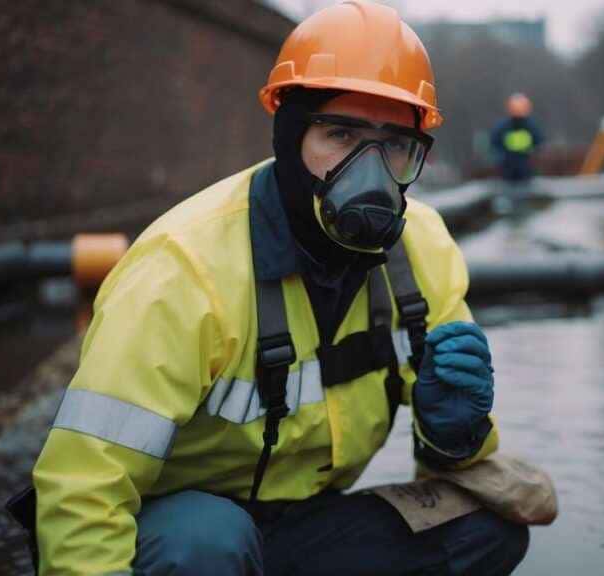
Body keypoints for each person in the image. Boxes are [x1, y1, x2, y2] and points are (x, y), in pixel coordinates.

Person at [26, 2, 528, 574]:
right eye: (340, 134)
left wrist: (453, 432)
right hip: (178, 533)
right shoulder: (184, 269)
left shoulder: (424, 247)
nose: (370, 173)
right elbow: (83, 492)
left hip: (306, 522)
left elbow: (455, 464)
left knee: (485, 524)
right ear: (290, 139)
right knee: (208, 542)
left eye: (393, 146)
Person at [490, 92, 545, 183]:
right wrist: (501, 157)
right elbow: (495, 143)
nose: (518, 110)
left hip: (526, 166)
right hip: (507, 167)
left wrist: (532, 155)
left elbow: (539, 143)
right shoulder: (503, 127)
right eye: (516, 108)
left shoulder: (531, 127)